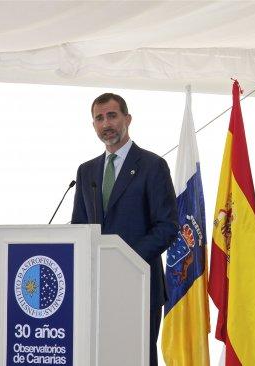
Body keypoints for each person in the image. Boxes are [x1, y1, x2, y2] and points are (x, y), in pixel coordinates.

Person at [71, 93, 178, 366]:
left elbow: (166, 226)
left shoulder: (153, 166)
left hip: (140, 284)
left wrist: (124, 260)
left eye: (112, 115)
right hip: (97, 289)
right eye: (99, 118)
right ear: (93, 124)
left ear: (127, 119)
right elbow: (79, 227)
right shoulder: (86, 171)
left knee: (137, 358)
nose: (106, 123)